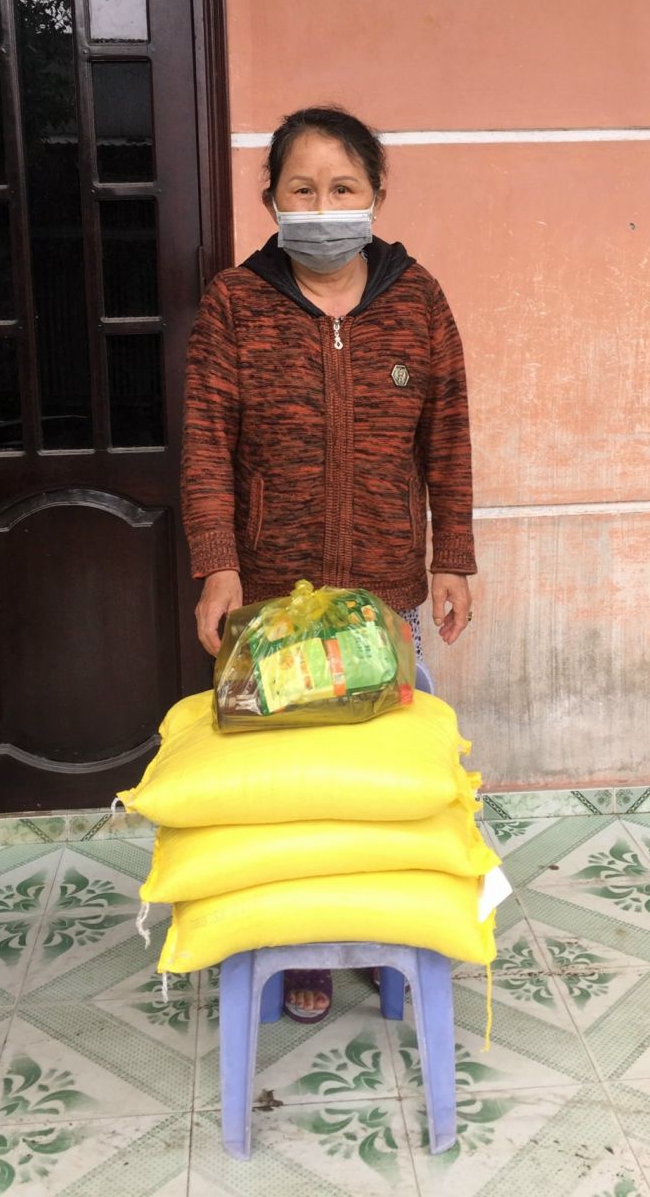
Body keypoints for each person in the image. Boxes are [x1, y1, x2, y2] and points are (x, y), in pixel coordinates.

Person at [182, 105, 476, 1022]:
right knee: (295, 794)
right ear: (270, 198)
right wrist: (219, 565)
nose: (322, 207)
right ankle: (298, 945)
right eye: (301, 190)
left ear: (376, 194)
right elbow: (206, 443)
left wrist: (452, 557)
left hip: (386, 598)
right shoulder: (236, 303)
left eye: (342, 187)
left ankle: (385, 934)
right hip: (273, 601)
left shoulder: (418, 300)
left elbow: (448, 437)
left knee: (381, 786)